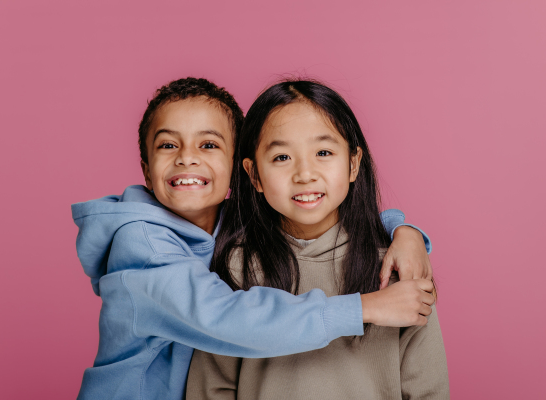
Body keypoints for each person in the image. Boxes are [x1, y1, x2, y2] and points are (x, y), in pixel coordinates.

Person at [71, 77, 435, 400]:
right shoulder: (143, 247)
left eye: (208, 145)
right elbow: (231, 320)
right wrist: (366, 308)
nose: (187, 159)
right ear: (147, 172)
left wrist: (403, 232)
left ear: (237, 170)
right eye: (168, 146)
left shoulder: (231, 226)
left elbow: (308, 211)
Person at [187, 79, 448, 399]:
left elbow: (427, 388)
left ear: (353, 164)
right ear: (254, 175)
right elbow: (211, 386)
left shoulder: (397, 265)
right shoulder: (236, 266)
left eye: (323, 152)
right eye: (282, 157)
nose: (305, 173)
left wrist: (405, 234)